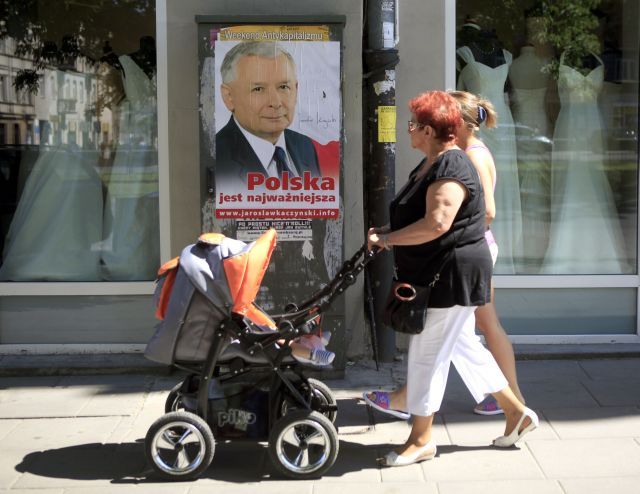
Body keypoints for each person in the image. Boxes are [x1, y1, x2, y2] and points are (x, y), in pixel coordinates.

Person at [366, 91, 537, 467]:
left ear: (429, 130)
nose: (408, 129)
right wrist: (385, 229)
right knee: (462, 345)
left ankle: (421, 438)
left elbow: (438, 222)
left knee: (426, 353)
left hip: (450, 274)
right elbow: (418, 214)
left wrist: (389, 240)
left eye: (413, 124)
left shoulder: (453, 165)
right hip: (443, 270)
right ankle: (515, 412)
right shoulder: (432, 162)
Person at [215, 41, 321, 189]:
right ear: (229, 97)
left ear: (296, 90)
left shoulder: (305, 146)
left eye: (283, 87)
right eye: (258, 89)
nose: (276, 102)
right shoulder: (215, 157)